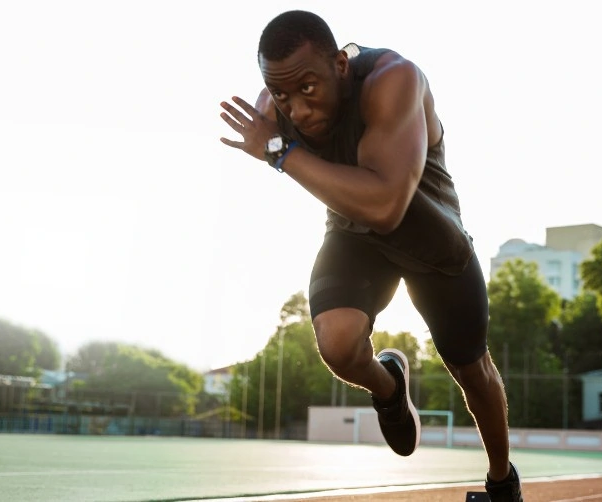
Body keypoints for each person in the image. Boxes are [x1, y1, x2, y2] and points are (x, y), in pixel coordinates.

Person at [218, 10, 523, 502]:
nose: (295, 109)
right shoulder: (274, 112)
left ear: (339, 65)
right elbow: (352, 201)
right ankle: (389, 388)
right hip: (353, 234)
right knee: (337, 345)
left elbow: (386, 205)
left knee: (472, 371)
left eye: (307, 89)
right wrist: (280, 141)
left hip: (430, 236)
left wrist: (280, 153)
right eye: (281, 95)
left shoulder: (394, 79)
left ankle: (501, 480)